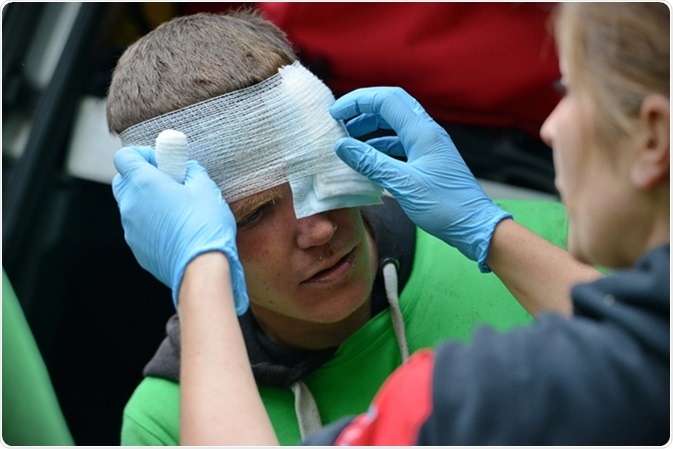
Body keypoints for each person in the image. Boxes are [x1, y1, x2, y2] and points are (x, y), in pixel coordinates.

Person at [111, 1, 668, 446]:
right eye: (254, 214)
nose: (320, 230)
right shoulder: (164, 421)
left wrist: (489, 232)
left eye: (325, 174)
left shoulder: (548, 252)